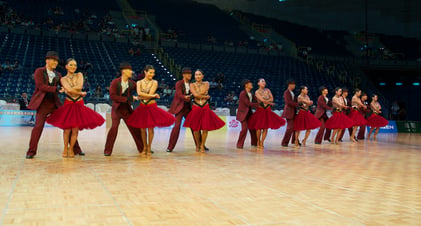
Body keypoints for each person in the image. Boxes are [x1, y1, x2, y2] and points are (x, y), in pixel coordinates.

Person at [26, 51, 84, 159]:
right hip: (43, 104)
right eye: (53, 60)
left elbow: (64, 86)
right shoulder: (39, 71)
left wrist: (72, 89)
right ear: (47, 60)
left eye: (57, 61)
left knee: (68, 125)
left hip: (55, 103)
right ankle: (31, 151)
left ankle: (75, 148)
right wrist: (56, 89)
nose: (55, 63)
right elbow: (40, 86)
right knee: (38, 127)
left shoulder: (58, 75)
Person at [46, 59, 104, 157]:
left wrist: (72, 89)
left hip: (79, 103)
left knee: (75, 129)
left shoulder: (79, 75)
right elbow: (70, 89)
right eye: (71, 65)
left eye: (75, 65)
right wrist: (80, 93)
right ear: (66, 66)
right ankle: (65, 148)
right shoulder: (63, 79)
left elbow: (79, 86)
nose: (73, 67)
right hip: (68, 103)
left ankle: (71, 148)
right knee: (67, 129)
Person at [127, 65, 175, 155]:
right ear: (145, 72)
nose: (152, 74)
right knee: (142, 129)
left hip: (151, 107)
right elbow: (139, 93)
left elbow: (148, 93)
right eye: (150, 72)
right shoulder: (139, 82)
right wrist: (153, 96)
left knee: (150, 129)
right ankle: (144, 147)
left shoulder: (155, 82)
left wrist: (146, 95)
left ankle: (149, 147)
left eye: (153, 73)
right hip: (142, 107)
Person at [104, 62, 144, 156]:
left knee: (135, 128)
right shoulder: (115, 82)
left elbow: (140, 88)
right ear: (124, 71)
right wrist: (128, 99)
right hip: (116, 109)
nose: (131, 72)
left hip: (127, 109)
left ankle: (143, 148)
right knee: (114, 128)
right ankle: (107, 150)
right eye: (129, 70)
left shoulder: (132, 83)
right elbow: (112, 96)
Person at [183, 69, 225, 152]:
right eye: (196, 75)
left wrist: (199, 94)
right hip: (196, 106)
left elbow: (201, 92)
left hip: (205, 107)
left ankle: (202, 145)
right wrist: (205, 96)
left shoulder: (206, 83)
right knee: (195, 128)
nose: (197, 76)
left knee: (205, 128)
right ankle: (197, 145)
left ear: (202, 76)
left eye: (199, 74)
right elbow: (195, 95)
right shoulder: (191, 84)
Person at [167, 67, 204, 152]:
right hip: (179, 108)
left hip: (188, 108)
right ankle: (170, 147)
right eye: (188, 73)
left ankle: (200, 145)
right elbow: (179, 94)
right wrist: (185, 97)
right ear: (183, 75)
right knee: (176, 126)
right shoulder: (179, 83)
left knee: (195, 126)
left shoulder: (192, 84)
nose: (190, 75)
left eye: (191, 73)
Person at [248, 79, 285, 148]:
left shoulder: (268, 90)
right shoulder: (257, 92)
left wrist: (266, 101)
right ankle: (258, 140)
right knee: (259, 127)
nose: (264, 83)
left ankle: (262, 142)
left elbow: (272, 98)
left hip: (267, 110)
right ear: (258, 83)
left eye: (264, 81)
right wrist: (268, 101)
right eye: (262, 81)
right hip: (260, 111)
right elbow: (261, 100)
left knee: (265, 128)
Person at [236, 79, 259, 149]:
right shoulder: (242, 93)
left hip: (249, 114)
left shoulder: (251, 93)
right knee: (244, 129)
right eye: (249, 83)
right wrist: (258, 105)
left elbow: (256, 100)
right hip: (243, 114)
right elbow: (248, 103)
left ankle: (254, 143)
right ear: (246, 85)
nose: (251, 84)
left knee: (252, 128)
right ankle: (239, 145)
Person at [281, 79, 299, 147]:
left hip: (293, 111)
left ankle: (294, 140)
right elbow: (288, 102)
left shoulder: (292, 92)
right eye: (293, 84)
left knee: (295, 127)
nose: (294, 86)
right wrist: (297, 104)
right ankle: (284, 142)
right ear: (289, 85)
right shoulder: (286, 92)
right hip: (289, 111)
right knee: (290, 127)